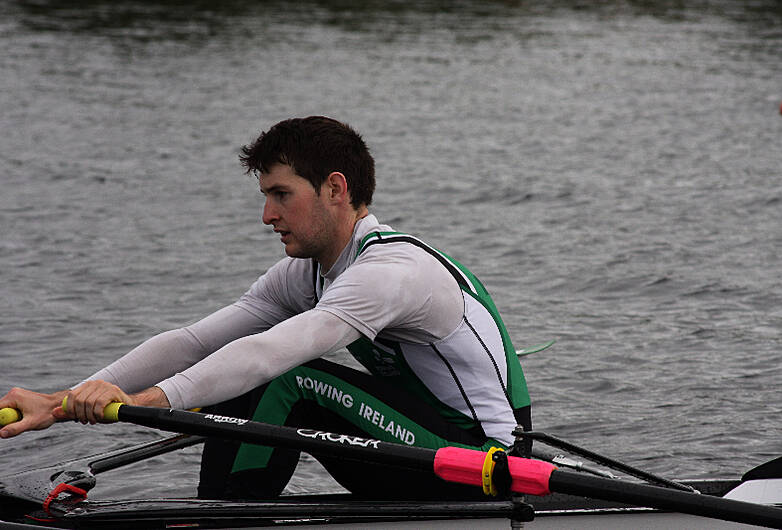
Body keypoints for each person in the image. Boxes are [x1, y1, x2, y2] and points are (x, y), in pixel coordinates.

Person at [0, 116, 531, 500]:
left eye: (280, 194)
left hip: (486, 459)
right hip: (419, 443)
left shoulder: (391, 273)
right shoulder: (308, 272)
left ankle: (226, 512)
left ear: (335, 189)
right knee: (236, 373)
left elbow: (270, 353)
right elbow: (193, 341)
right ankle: (225, 507)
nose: (266, 214)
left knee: (285, 376)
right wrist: (62, 401)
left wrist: (142, 400)